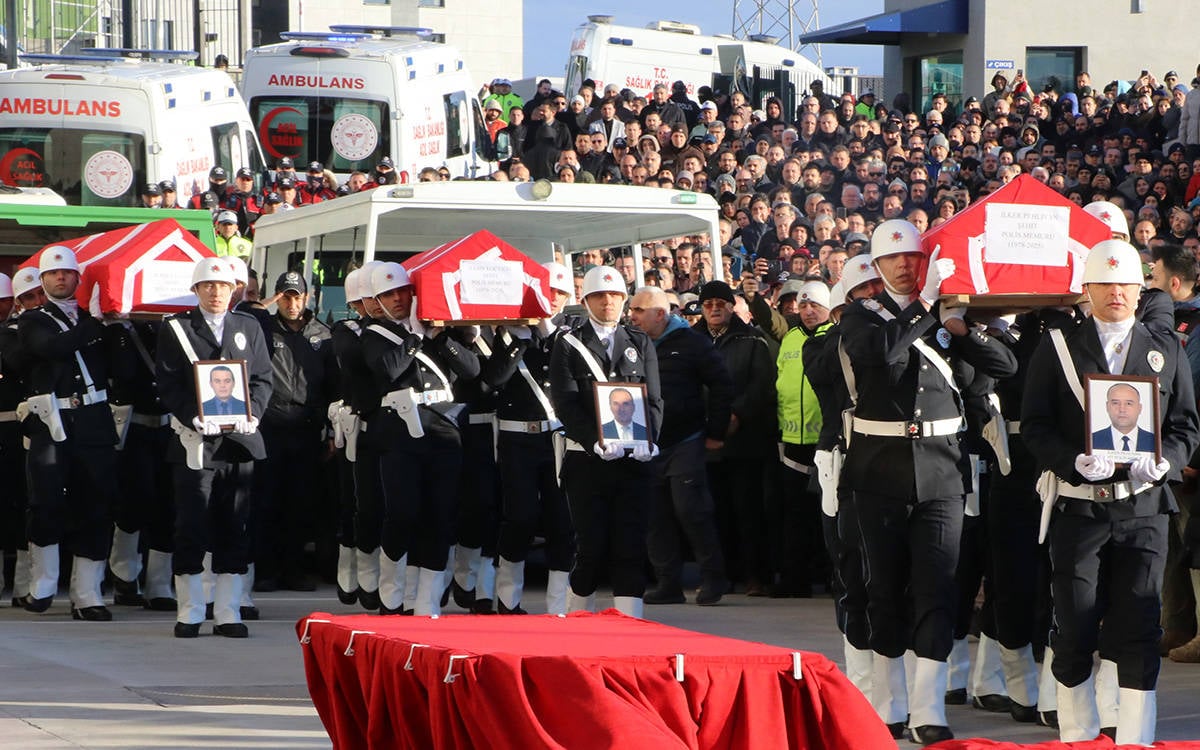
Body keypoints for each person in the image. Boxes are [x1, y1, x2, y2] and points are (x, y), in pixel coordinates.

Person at [839, 219, 1017, 744]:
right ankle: (889, 705)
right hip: (878, 469)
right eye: (893, 259)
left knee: (938, 587)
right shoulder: (861, 316)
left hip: (941, 468)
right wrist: (927, 307)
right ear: (876, 266)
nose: (904, 266)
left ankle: (928, 710)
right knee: (884, 588)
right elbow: (882, 353)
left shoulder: (944, 314)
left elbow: (1003, 366)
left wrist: (962, 329)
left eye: (914, 259)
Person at [1022, 239, 1200, 746]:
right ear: (1087, 289)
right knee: (1075, 627)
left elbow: (1186, 426)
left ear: (1140, 289)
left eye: (1126, 283)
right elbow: (1035, 425)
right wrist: (1070, 461)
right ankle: (1078, 735)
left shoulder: (1165, 348)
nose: (1117, 292)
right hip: (1080, 510)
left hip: (1144, 509)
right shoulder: (1057, 348)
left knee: (1139, 628)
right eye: (1106, 282)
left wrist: (1167, 463)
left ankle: (1135, 738)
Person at [156, 258, 273, 638]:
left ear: (234, 289)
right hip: (196, 443)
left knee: (234, 525)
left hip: (239, 442)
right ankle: (190, 609)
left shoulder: (249, 326)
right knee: (192, 525)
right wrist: (193, 416)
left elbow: (261, 379)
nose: (216, 292)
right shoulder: (177, 328)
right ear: (196, 290)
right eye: (208, 285)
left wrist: (252, 414)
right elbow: (170, 384)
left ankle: (227, 610)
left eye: (223, 285)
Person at [359, 262, 479, 616]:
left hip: (443, 426)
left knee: (440, 514)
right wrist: (414, 337)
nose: (397, 299)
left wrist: (439, 335)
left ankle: (427, 599)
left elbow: (471, 371)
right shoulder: (374, 334)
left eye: (403, 292)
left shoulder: (443, 331)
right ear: (377, 301)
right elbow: (387, 371)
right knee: (402, 512)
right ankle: (392, 595)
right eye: (388, 295)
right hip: (401, 429)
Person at [549, 265, 662, 617]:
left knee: (631, 547)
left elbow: (654, 399)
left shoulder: (639, 342)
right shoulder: (568, 344)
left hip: (633, 461)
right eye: (599, 295)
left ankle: (630, 628)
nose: (608, 302)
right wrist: (592, 440)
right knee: (592, 547)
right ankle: (577, 625)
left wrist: (650, 439)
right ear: (586, 301)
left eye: (614, 295)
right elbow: (566, 403)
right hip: (588, 462)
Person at [19, 246, 120, 621]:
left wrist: (116, 323)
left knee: (95, 505)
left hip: (93, 419)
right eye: (53, 274)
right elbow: (51, 348)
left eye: (67, 273)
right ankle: (42, 584)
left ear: (79, 279)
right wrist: (94, 324)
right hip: (52, 422)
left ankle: (87, 593)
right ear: (43, 281)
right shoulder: (33, 320)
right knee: (46, 503)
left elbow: (118, 366)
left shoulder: (96, 320)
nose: (61, 278)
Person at [629, 285, 732, 607]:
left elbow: (721, 384)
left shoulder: (693, 343)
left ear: (659, 314)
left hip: (685, 440)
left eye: (637, 311)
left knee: (692, 511)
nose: (630, 316)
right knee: (655, 516)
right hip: (646, 443)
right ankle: (667, 583)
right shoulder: (631, 343)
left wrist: (716, 431)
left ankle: (713, 578)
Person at [484, 262, 577, 616]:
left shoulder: (570, 336)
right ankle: (508, 600)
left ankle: (558, 606)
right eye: (547, 292)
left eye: (559, 293)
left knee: (560, 521)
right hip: (516, 439)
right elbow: (495, 378)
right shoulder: (508, 334)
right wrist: (519, 341)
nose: (552, 299)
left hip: (557, 438)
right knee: (519, 518)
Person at [252, 271, 335, 593]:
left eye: (297, 296)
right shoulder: (262, 327)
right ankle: (266, 570)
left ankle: (294, 569)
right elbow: (242, 317)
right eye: (285, 296)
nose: (292, 303)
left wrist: (331, 432)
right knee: (267, 501)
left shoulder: (323, 335)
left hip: (306, 427)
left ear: (308, 297)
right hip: (271, 426)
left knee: (300, 503)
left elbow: (333, 386)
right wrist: (263, 306)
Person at [700, 278, 777, 597]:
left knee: (749, 511)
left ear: (732, 307)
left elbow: (762, 384)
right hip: (705, 442)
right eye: (709, 305)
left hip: (745, 442)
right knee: (715, 512)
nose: (715, 309)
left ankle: (755, 575)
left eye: (721, 304)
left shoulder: (753, 338)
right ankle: (724, 574)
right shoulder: (693, 341)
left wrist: (736, 416)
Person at [1090, 382, 1155, 452]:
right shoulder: (1092, 439)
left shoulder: (1154, 441)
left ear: (1139, 408)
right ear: (1107, 406)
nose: (1122, 409)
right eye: (1115, 403)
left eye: (1128, 403)